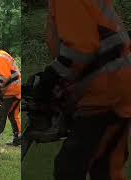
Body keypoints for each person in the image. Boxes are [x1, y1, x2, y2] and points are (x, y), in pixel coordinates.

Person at [34, 0, 131, 179]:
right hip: (117, 85)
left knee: (70, 169)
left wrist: (51, 78)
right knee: (107, 168)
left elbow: (80, 49)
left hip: (105, 93)